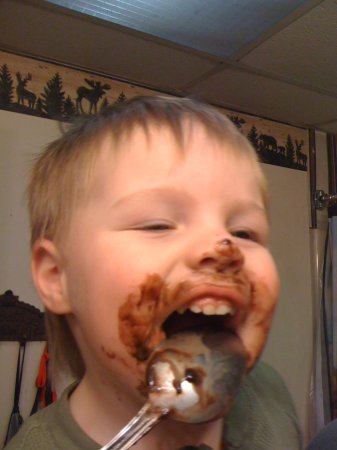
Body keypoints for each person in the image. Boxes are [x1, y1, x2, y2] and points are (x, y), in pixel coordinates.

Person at [5, 96, 302, 449]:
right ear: (58, 277)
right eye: (157, 224)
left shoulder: (269, 395)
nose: (223, 248)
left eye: (244, 232)